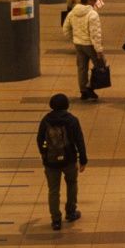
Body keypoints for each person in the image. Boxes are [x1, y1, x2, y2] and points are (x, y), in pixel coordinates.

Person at [36, 93, 87, 231]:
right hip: (69, 160)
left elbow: (40, 140)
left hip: (51, 162)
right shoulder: (72, 120)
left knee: (53, 190)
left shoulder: (46, 120)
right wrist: (83, 159)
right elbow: (79, 140)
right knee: (71, 184)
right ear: (67, 105)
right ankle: (71, 212)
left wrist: (44, 155)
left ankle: (56, 220)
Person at [62, 0, 105, 101]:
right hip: (90, 45)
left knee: (82, 68)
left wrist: (74, 39)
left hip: (78, 44)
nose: (95, 1)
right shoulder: (92, 14)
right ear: (88, 1)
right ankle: (90, 88)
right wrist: (99, 50)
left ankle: (83, 91)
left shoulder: (72, 12)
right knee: (100, 66)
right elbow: (95, 34)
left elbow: (65, 28)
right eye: (94, 0)